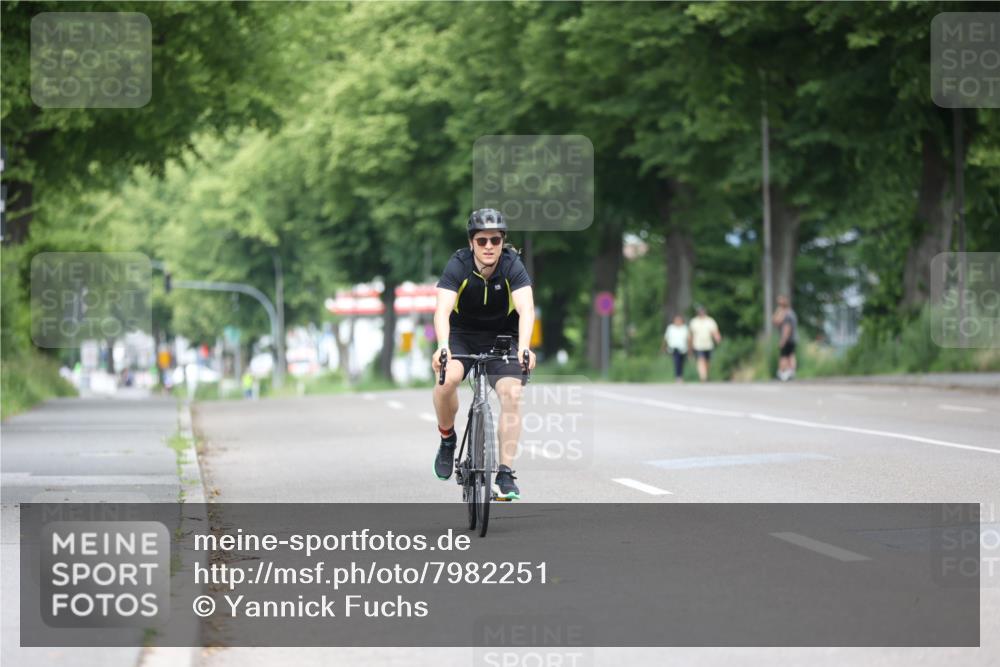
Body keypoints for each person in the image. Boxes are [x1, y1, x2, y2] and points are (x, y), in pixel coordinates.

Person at [431, 208, 536, 500]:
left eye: (495, 240)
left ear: (503, 241)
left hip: (502, 338)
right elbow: (441, 310)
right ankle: (447, 438)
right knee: (446, 379)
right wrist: (442, 345)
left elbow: (526, 308)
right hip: (461, 337)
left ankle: (504, 473)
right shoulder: (458, 264)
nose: (489, 246)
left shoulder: (512, 264)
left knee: (512, 394)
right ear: (471, 243)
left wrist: (525, 346)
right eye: (482, 241)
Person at [688, 305, 721, 382]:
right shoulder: (694, 322)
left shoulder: (710, 321)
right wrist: (690, 345)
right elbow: (691, 335)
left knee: (707, 361)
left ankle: (706, 374)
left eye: (702, 311)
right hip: (698, 345)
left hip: (708, 345)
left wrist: (717, 338)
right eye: (700, 311)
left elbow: (715, 331)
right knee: (701, 360)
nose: (701, 312)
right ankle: (703, 377)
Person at [772, 295, 798, 381]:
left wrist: (783, 340)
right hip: (792, 338)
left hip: (787, 338)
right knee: (791, 355)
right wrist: (779, 311)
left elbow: (787, 328)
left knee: (784, 356)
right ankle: (790, 373)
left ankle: (783, 373)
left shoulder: (787, 314)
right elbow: (775, 321)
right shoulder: (790, 313)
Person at [662, 314, 689, 382]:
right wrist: (663, 347)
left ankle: (680, 375)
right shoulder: (670, 328)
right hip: (674, 348)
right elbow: (666, 338)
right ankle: (678, 376)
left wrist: (690, 348)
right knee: (676, 362)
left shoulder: (684, 328)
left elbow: (688, 339)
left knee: (682, 363)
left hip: (683, 348)